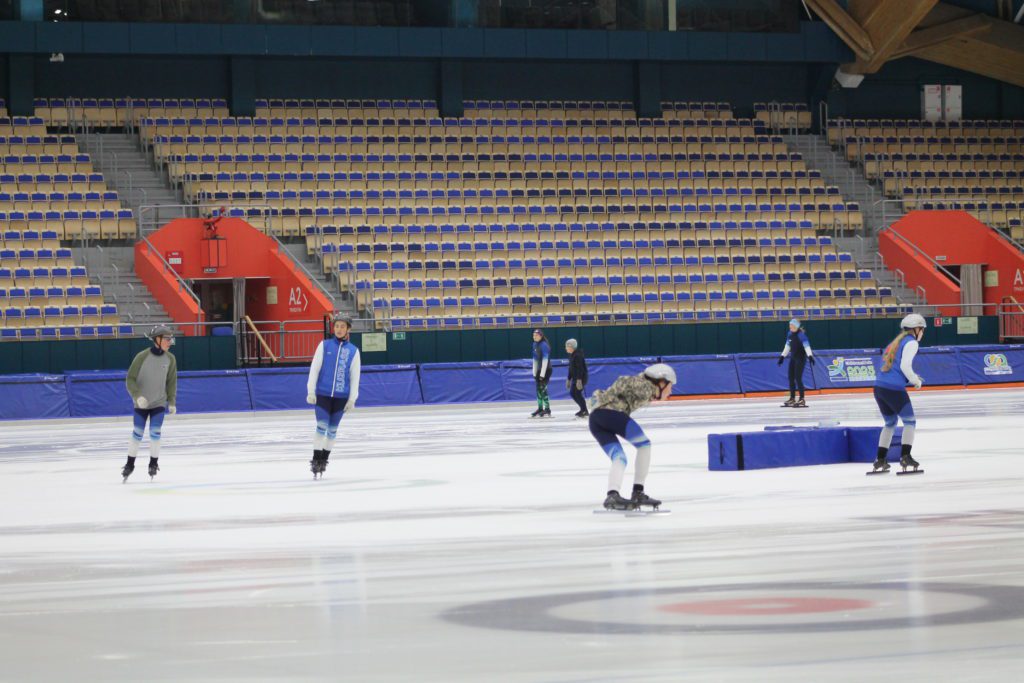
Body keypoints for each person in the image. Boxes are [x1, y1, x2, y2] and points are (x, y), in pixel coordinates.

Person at [588, 363, 676, 510]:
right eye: (670, 386)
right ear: (661, 382)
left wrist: (603, 398)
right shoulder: (647, 387)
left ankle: (612, 495)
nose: (671, 391)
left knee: (619, 458)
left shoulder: (647, 387)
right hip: (611, 414)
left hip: (596, 420)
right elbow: (623, 381)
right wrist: (607, 396)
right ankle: (638, 492)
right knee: (644, 445)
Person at [869, 314, 926, 475]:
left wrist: (911, 377)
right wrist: (916, 381)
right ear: (916, 329)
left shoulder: (895, 342)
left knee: (890, 423)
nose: (922, 333)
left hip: (879, 388)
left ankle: (880, 460)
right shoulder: (911, 342)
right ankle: (905, 457)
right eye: (922, 329)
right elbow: (905, 366)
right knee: (910, 422)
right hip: (893, 388)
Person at [306, 314, 361, 479]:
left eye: (342, 326)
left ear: (348, 329)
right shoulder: (324, 345)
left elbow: (355, 377)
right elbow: (314, 369)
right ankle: (316, 460)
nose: (339, 329)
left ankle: (324, 460)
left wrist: (352, 399)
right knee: (321, 427)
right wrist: (310, 390)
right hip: (323, 395)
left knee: (332, 431)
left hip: (341, 398)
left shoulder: (353, 351)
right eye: (337, 326)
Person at [122, 325, 178, 482]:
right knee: (137, 433)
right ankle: (129, 464)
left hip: (159, 403)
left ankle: (153, 463)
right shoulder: (142, 356)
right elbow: (130, 379)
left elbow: (171, 382)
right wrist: (137, 396)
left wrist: (172, 401)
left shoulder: (171, 359)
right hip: (141, 404)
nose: (170, 342)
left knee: (155, 432)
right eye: (167, 339)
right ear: (157, 340)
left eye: (170, 339)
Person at [778, 318, 815, 407]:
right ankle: (792, 398)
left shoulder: (801, 335)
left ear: (796, 326)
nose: (790, 326)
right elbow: (787, 346)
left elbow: (807, 346)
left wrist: (810, 356)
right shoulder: (789, 334)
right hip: (793, 358)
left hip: (800, 359)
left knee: (798, 378)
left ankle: (802, 399)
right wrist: (782, 356)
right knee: (791, 378)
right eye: (789, 325)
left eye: (791, 325)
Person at [530, 329, 552, 418]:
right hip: (539, 370)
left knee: (543, 389)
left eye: (536, 335)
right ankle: (540, 408)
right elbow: (535, 360)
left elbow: (545, 361)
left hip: (546, 369)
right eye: (533, 335)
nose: (534, 337)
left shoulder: (544, 345)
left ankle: (547, 409)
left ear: (541, 336)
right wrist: (534, 372)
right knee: (538, 390)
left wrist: (542, 375)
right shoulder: (534, 344)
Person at [566, 338, 589, 418]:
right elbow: (571, 368)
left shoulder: (578, 355)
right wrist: (568, 379)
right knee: (573, 393)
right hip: (575, 378)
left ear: (571, 347)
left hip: (580, 378)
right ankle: (583, 409)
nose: (566, 348)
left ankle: (585, 410)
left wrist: (579, 380)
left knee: (577, 394)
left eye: (567, 346)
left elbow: (580, 368)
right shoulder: (572, 355)